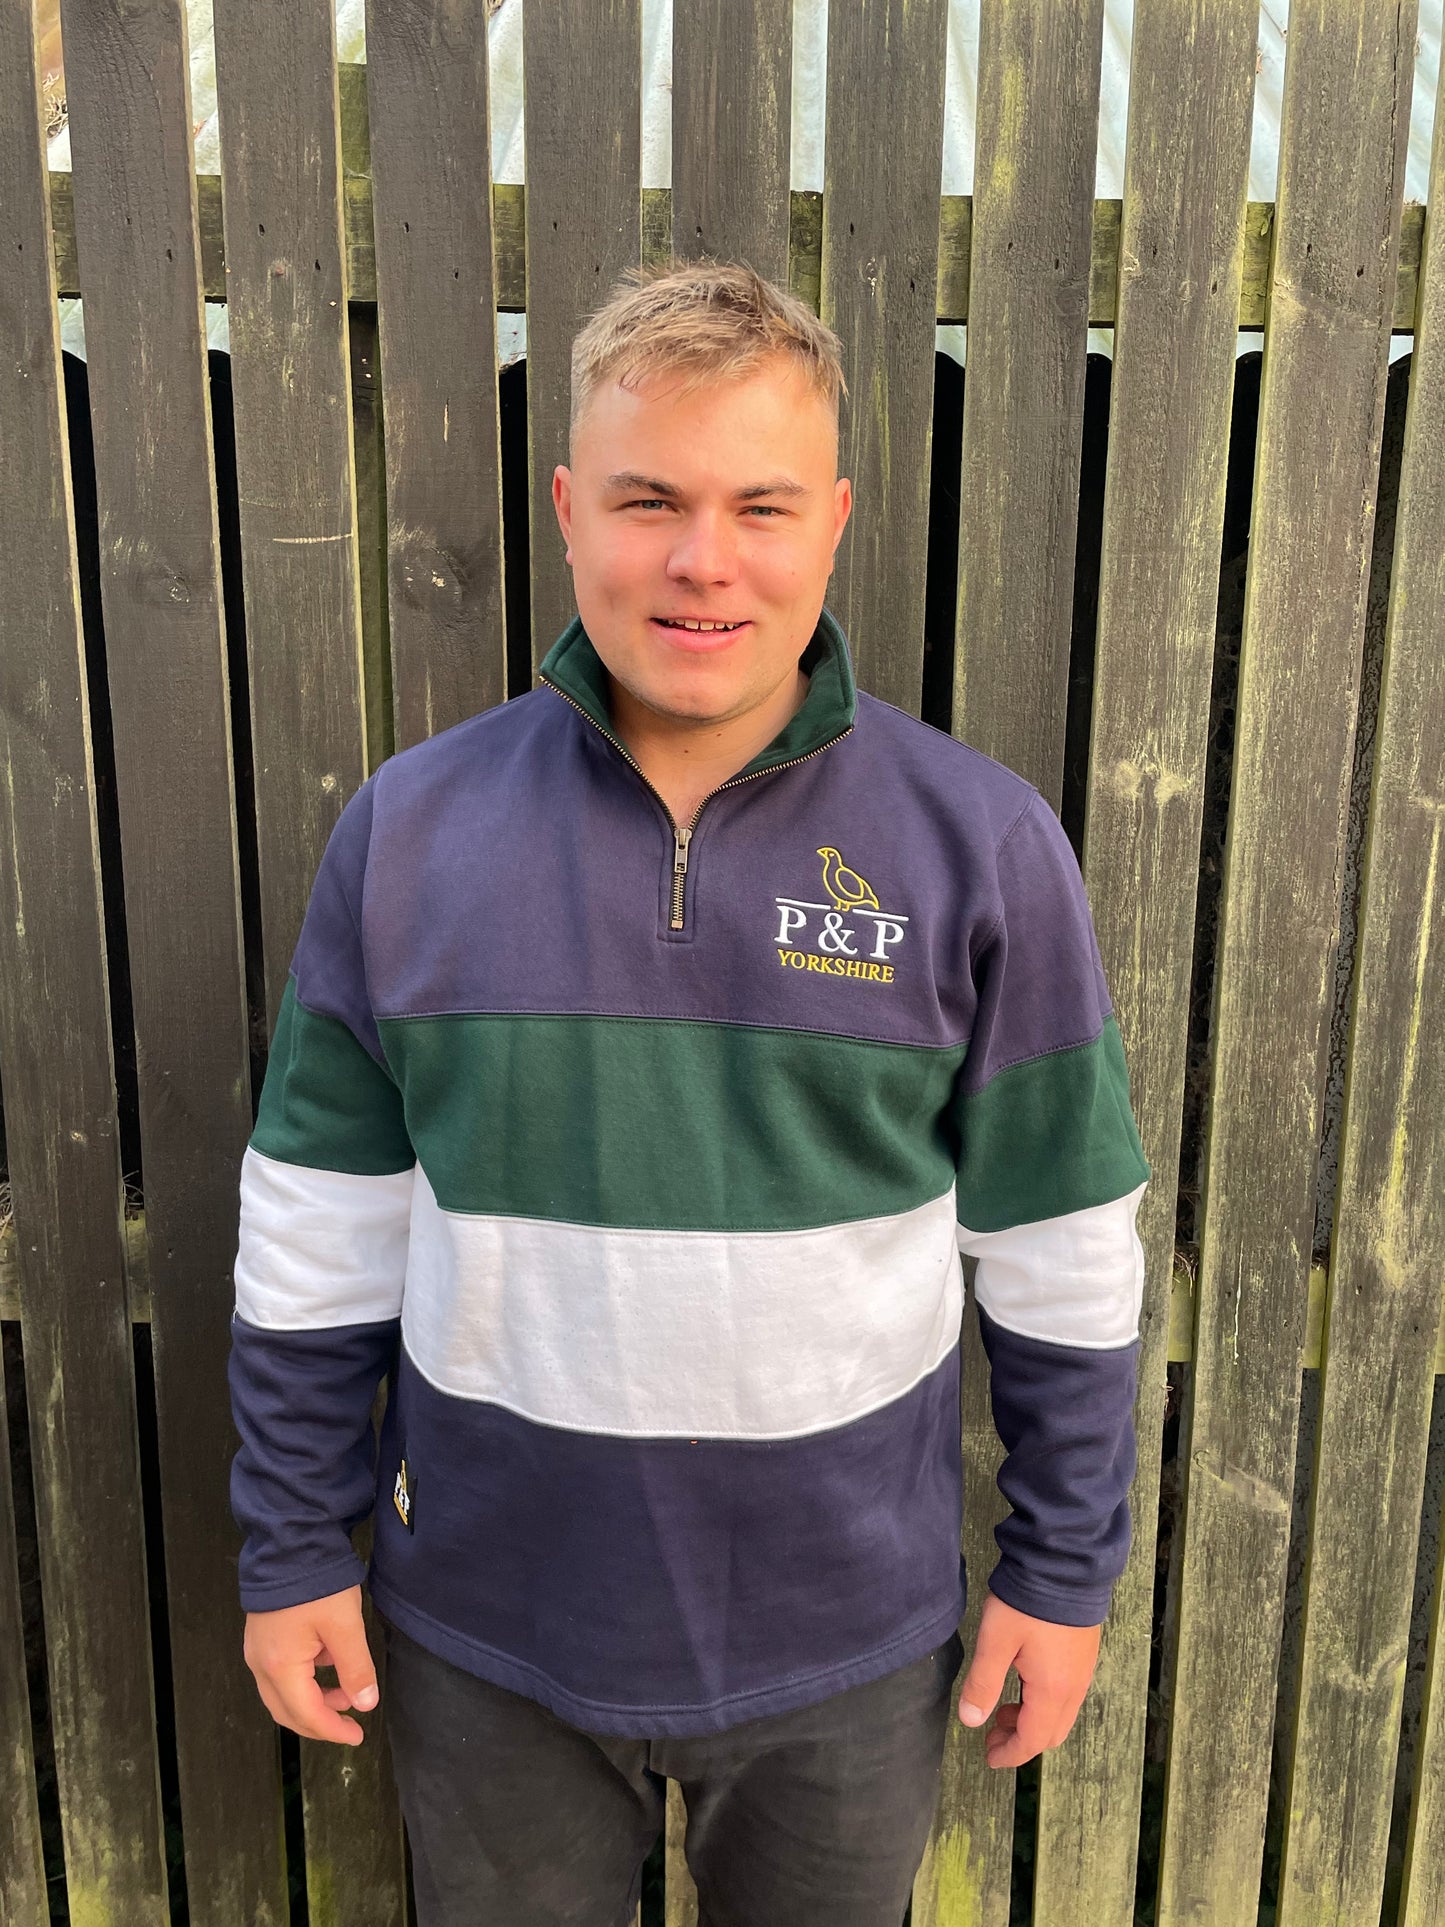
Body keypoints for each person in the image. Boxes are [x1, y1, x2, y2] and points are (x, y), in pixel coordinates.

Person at [230, 260, 1149, 1926]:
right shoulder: (411, 835)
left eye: (760, 506)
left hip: (845, 1647)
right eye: (648, 498)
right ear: (570, 510)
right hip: (489, 1633)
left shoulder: (978, 844)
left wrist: (1064, 1569)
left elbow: (1060, 1252)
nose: (701, 559)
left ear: (833, 523)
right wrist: (293, 1544)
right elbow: (320, 1234)